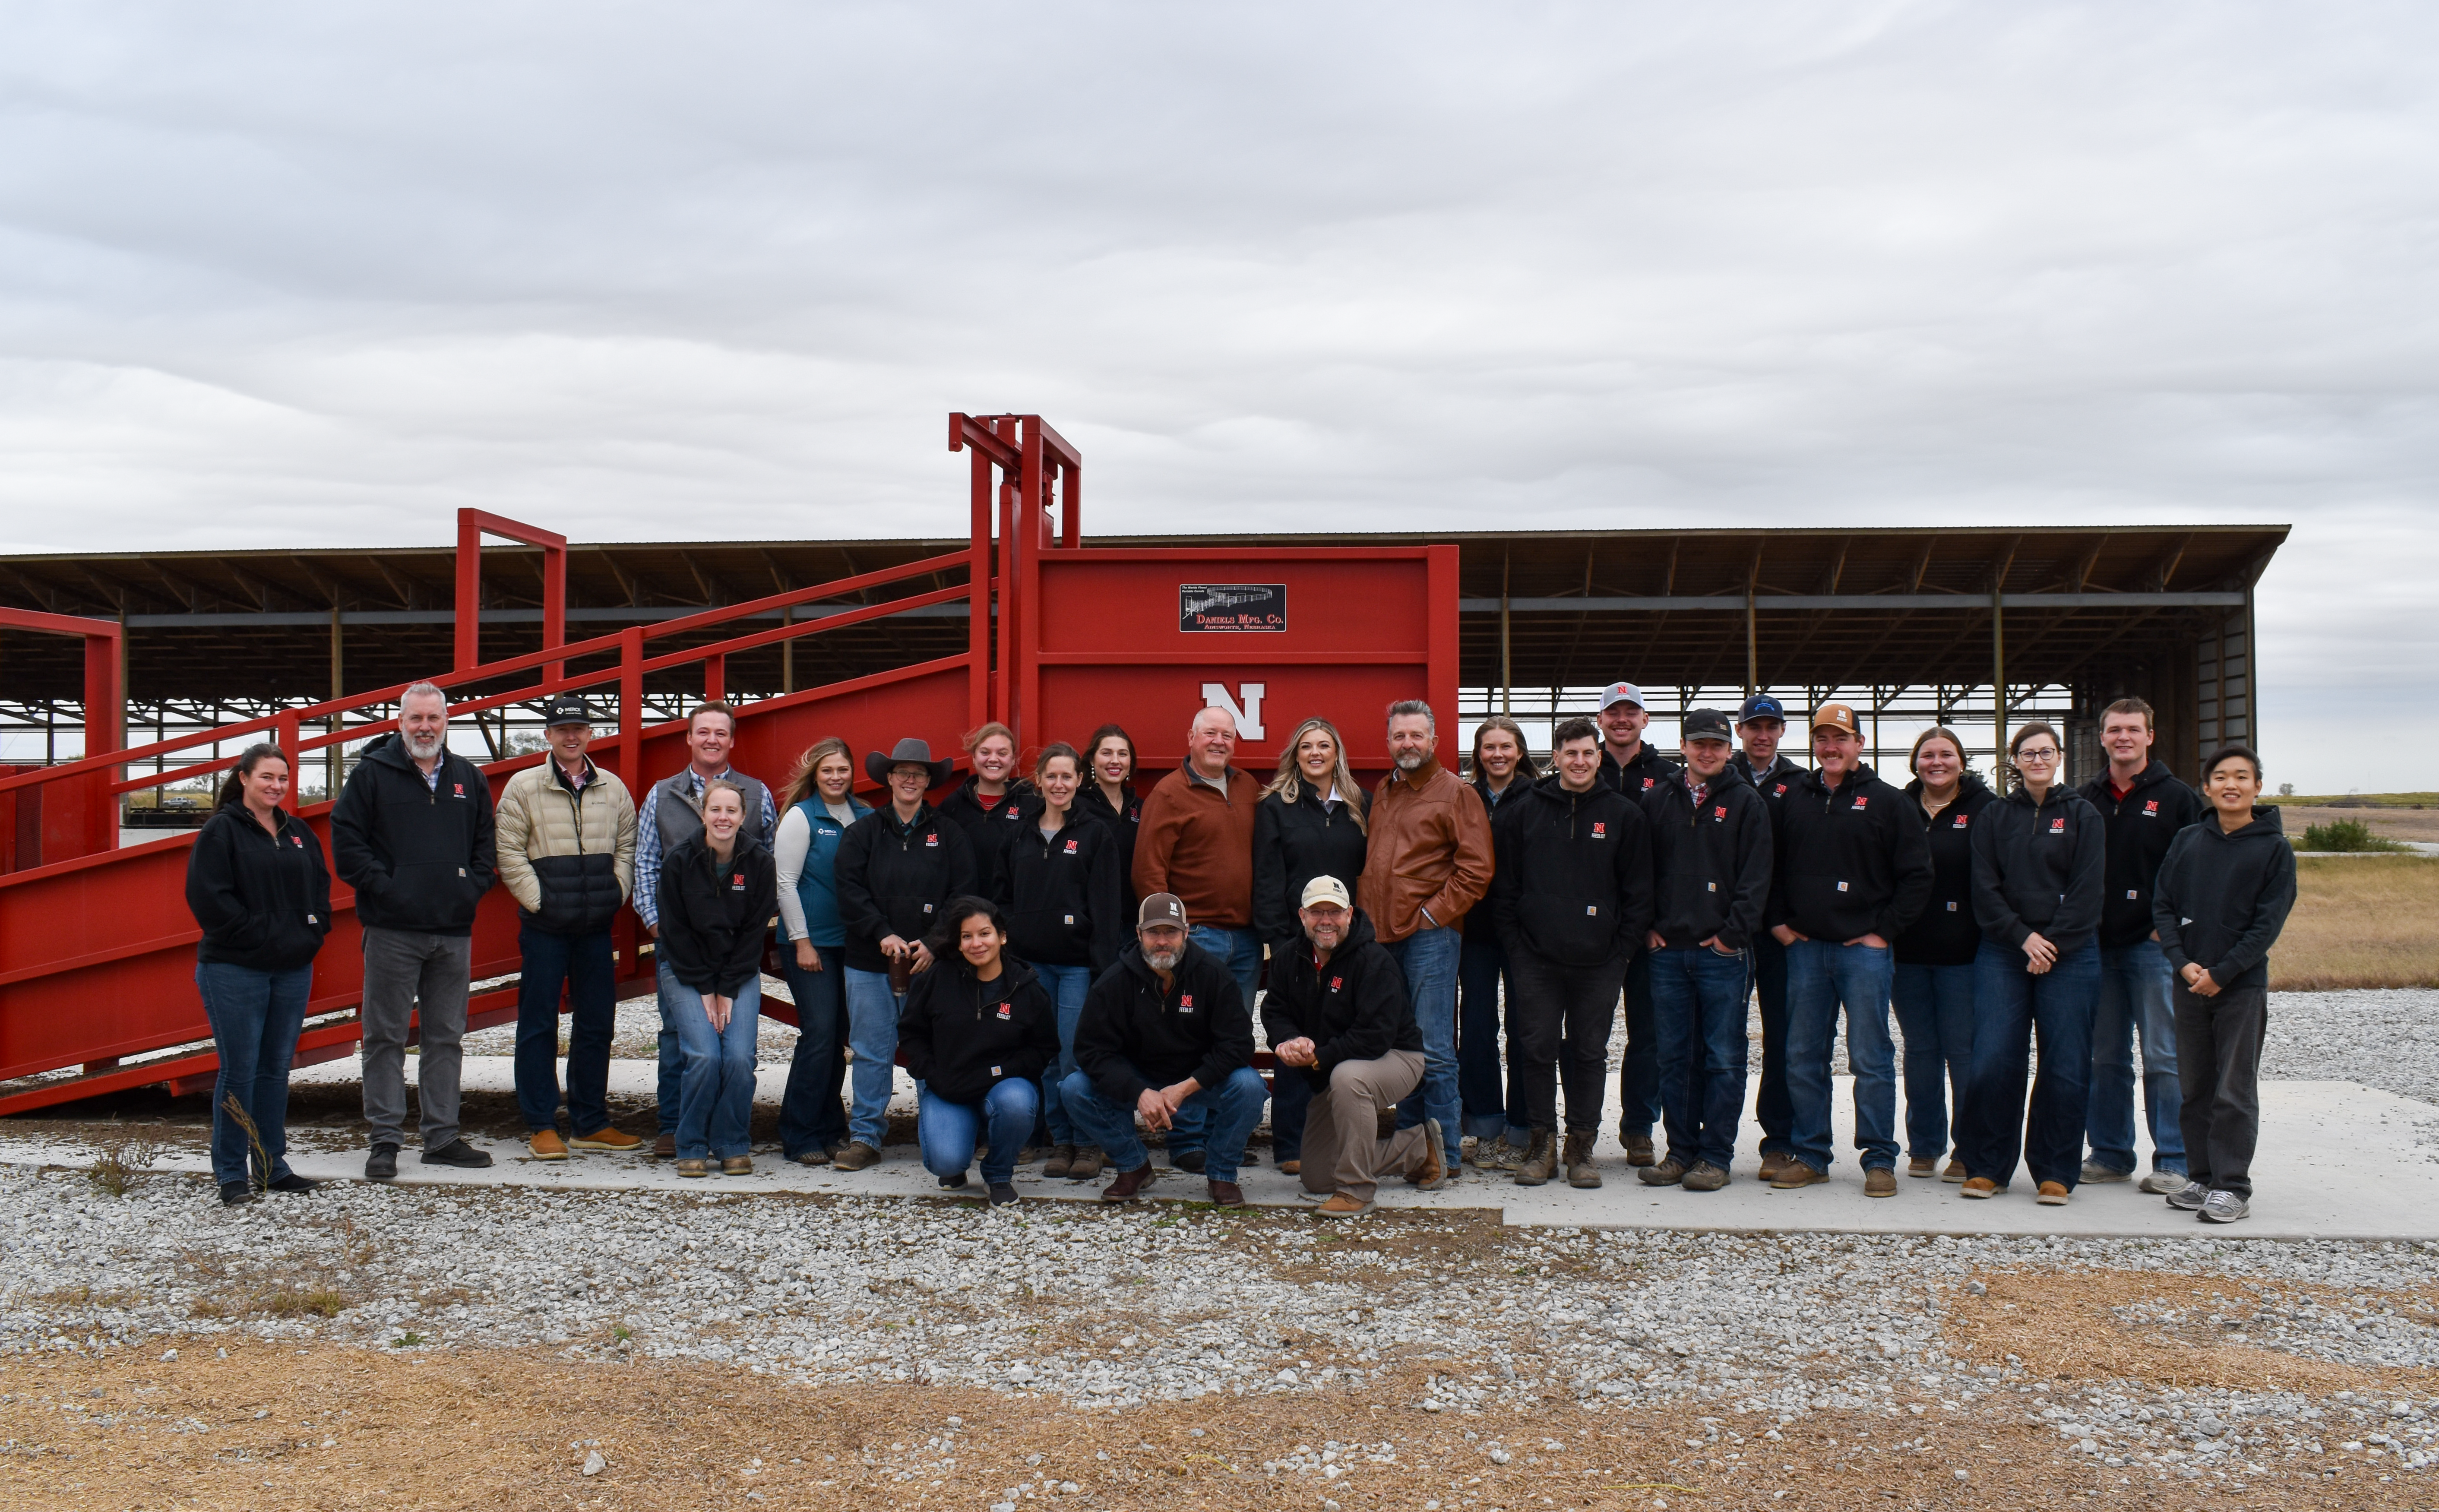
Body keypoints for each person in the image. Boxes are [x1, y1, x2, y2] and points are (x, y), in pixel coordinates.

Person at [331, 680, 497, 1180]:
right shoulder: (372, 776)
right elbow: (347, 841)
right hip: (392, 930)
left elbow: (485, 845)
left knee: (446, 1036)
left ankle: (442, 1136)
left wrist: (471, 888)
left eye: (434, 719)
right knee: (384, 1036)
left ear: (447, 722)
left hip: (452, 931)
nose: (425, 727)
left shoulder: (469, 777)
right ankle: (385, 1139)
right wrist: (388, 889)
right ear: (400, 723)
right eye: (416, 719)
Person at [1767, 702, 1932, 1196]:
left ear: (1859, 744)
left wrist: (1885, 931)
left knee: (1871, 1056)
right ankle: (1812, 1153)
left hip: (1865, 952)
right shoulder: (1792, 796)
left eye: (1841, 738)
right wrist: (1778, 923)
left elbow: (1918, 874)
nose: (1831, 747)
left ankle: (1879, 1157)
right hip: (1807, 949)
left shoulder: (1888, 802)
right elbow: (1766, 863)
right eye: (1822, 738)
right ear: (1813, 745)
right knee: (1802, 1054)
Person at [1488, 716, 1652, 1188]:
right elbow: (1505, 890)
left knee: (1588, 1052)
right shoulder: (1525, 812)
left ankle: (1582, 1147)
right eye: (1570, 753)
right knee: (1535, 1049)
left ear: (1598, 757)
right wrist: (1518, 949)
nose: (1579, 761)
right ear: (1554, 757)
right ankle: (1541, 1146)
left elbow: (1639, 893)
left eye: (1587, 753)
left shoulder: (1624, 815)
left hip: (1600, 961)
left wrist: (1621, 951)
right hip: (1536, 959)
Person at [1957, 721, 2106, 1206]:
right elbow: (1985, 887)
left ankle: (2055, 1170)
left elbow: (2088, 890)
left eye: (2046, 752)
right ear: (2015, 761)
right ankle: (1987, 1166)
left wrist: (2052, 943)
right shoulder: (1997, 816)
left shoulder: (2084, 815)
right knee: (1994, 1059)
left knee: (2065, 1064)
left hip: (2071, 954)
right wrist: (2024, 938)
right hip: (2004, 951)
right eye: (2028, 753)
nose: (2037, 760)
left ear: (2059, 757)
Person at [2152, 745, 2295, 1224]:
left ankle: (2233, 1185)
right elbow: (2164, 906)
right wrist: (2183, 963)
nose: (2231, 784)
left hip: (2240, 986)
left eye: (2242, 776)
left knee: (2233, 1089)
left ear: (2258, 786)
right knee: (2194, 1085)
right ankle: (2202, 1177)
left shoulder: (2274, 848)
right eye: (2221, 777)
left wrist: (2223, 972)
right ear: (2207, 787)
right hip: (2188, 981)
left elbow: (2267, 924)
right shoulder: (2189, 840)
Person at [494, 694, 641, 1162]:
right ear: (548, 735)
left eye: (579, 728)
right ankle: (542, 1124)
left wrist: (614, 894)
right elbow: (510, 854)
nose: (571, 736)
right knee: (538, 1024)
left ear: (591, 733)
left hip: (596, 927)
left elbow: (627, 848)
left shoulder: (613, 789)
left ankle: (590, 1121)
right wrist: (542, 902)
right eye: (562, 729)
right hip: (543, 929)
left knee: (597, 1023)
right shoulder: (523, 787)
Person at [184, 743, 332, 1205]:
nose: (276, 786)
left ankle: (271, 1165)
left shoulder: (299, 831)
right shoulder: (222, 831)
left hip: (291, 969)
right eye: (267, 777)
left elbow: (320, 890)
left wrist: (311, 931)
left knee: (274, 1070)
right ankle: (231, 1171)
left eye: (283, 779)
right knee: (240, 1070)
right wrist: (257, 936)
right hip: (234, 969)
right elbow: (208, 898)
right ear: (245, 778)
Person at [634, 703, 778, 1158]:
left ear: (732, 740)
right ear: (689, 738)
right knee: (680, 1037)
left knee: (733, 1049)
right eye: (703, 732)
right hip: (677, 943)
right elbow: (645, 862)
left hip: (736, 947)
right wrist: (658, 926)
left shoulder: (757, 794)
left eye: (721, 732)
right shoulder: (662, 794)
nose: (712, 739)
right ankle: (675, 1127)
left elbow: (768, 862)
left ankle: (726, 1134)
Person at [1062, 893, 1270, 1207]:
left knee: (1249, 1086)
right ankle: (1134, 1166)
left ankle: (1222, 1174)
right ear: (1138, 934)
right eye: (1154, 933)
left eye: (1170, 932)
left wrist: (1187, 1087)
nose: (1162, 941)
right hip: (1139, 1076)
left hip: (1197, 1078)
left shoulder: (1213, 975)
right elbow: (1092, 1051)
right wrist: (1138, 1092)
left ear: (1186, 932)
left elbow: (1238, 1044)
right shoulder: (1113, 982)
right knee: (1074, 1088)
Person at [2078, 696, 2207, 1195]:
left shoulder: (2177, 798)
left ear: (2150, 736)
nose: (2123, 737)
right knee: (2104, 1056)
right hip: (2097, 947)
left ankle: (2174, 1159)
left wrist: (2170, 928)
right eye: (2114, 730)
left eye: (2133, 729)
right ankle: (2110, 1153)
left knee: (2163, 1055)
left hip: (2152, 949)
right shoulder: (2086, 796)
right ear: (2103, 737)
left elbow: (2199, 867)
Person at [1638, 709, 1771, 1192]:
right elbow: (1640, 870)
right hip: (1668, 952)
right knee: (1675, 1055)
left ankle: (1715, 1155)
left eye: (1716, 744)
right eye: (1699, 744)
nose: (1707, 752)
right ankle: (1679, 1151)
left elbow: (1757, 878)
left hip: (1723, 955)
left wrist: (1732, 936)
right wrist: (1648, 927)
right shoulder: (1658, 800)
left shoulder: (1746, 803)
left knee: (1723, 1057)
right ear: (1684, 745)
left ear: (1729, 749)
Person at [1363, 699, 1494, 1181]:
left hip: (1429, 938)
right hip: (1382, 936)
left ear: (1435, 741)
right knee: (1403, 1048)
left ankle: (1448, 1155)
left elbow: (1477, 868)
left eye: (1417, 736)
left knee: (1435, 1048)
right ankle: (1415, 1147)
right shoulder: (1385, 790)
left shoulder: (1456, 793)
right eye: (1399, 736)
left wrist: (1432, 915)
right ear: (1389, 742)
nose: (1408, 744)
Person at [831, 737, 975, 1171]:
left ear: (929, 780)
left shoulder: (950, 834)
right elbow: (849, 892)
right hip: (870, 962)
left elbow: (964, 893)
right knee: (872, 1051)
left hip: (932, 965)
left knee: (934, 1051)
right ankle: (866, 1136)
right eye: (902, 772)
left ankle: (937, 1134)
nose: (910, 779)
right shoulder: (863, 833)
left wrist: (936, 941)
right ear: (889, 778)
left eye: (919, 773)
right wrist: (882, 933)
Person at [1132, 704, 1263, 1174]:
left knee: (1230, 1036)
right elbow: (1149, 871)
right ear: (1191, 736)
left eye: (1227, 734)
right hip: (1197, 937)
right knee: (1188, 1038)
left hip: (1246, 939)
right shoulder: (1169, 793)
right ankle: (1186, 1138)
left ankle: (1222, 1136)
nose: (1219, 741)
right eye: (1210, 733)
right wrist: (1171, 938)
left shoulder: (1248, 787)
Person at [1263, 876, 1443, 1218]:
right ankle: (1417, 1149)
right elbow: (1275, 1010)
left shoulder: (1374, 961)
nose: (1326, 921)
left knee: (1349, 1078)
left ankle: (1356, 1191)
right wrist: (1287, 1040)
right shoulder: (1289, 957)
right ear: (1302, 916)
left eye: (1334, 912)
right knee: (1316, 1178)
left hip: (1396, 1057)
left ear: (1349, 914)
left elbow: (1375, 1036)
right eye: (1317, 912)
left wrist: (1318, 1057)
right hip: (1334, 1068)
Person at [1000, 742, 1126, 1181]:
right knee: (1049, 1057)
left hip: (1077, 967)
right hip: (1031, 966)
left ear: (1079, 781)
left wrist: (1103, 968)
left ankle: (1090, 1143)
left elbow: (1108, 907)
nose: (1059, 784)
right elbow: (1004, 894)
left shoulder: (1094, 832)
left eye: (1067, 777)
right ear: (1039, 779)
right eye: (1051, 776)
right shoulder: (1021, 831)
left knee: (1076, 1056)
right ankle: (1062, 1141)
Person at [1251, 716, 1370, 1177]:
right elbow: (1266, 878)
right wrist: (1279, 943)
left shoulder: (1361, 804)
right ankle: (1290, 1145)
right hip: (1295, 942)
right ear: (1295, 756)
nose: (1316, 753)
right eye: (1306, 747)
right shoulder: (1275, 807)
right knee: (1295, 1038)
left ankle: (1339, 1139)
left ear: (1337, 752)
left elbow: (1370, 873)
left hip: (1348, 941)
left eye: (1324, 745)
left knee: (1342, 1039)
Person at [898, 896, 1060, 1206]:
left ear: (1001, 936)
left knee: (1016, 1102)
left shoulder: (1025, 987)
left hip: (1002, 1084)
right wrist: (932, 1074)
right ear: (958, 943)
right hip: (949, 1085)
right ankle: (956, 1158)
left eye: (984, 934)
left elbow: (1043, 1049)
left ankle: (998, 1173)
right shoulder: (936, 979)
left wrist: (997, 1072)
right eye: (967, 936)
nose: (977, 944)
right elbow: (911, 1035)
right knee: (945, 1163)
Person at [655, 779, 775, 1177]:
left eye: (732, 811)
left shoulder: (758, 861)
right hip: (685, 970)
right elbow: (675, 933)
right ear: (703, 813)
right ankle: (690, 1143)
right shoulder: (679, 861)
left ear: (743, 817)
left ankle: (731, 1143)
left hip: (737, 972)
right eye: (715, 810)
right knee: (705, 1056)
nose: (723, 818)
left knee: (739, 1058)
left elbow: (753, 932)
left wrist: (726, 988)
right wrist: (707, 988)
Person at [1582, 681, 1680, 1166]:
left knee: (1649, 1034)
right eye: (1613, 712)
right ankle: (1581, 1130)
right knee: (1588, 1034)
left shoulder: (1669, 778)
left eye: (1631, 712)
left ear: (1645, 719)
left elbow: (1680, 857)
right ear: (1601, 720)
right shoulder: (1581, 769)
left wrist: (1660, 921)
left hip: (1648, 932)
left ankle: (1639, 1127)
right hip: (1591, 931)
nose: (1621, 719)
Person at [1891, 727, 1995, 1181]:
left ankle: (1967, 1148)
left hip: (1965, 954)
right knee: (1920, 1050)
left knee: (1964, 1051)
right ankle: (1924, 1144)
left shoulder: (1986, 808)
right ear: (1916, 762)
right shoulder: (1899, 807)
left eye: (1946, 754)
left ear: (1961, 761)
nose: (1937, 762)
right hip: (1907, 951)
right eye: (1928, 755)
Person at [773, 737, 871, 1166]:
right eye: (828, 770)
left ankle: (832, 1128)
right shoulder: (801, 816)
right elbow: (785, 883)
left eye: (843, 769)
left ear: (853, 772)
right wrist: (802, 941)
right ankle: (799, 1132)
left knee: (838, 1041)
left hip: (854, 947)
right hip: (812, 946)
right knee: (819, 1034)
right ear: (816, 773)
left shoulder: (864, 816)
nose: (836, 777)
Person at [1732, 692, 1805, 1179]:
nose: (1762, 735)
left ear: (1782, 732)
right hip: (1729, 928)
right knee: (1721, 1037)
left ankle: (1779, 1138)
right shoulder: (1719, 775)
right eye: (1754, 726)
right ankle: (1704, 1135)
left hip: (1778, 931)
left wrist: (1784, 918)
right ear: (1741, 731)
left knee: (1782, 1034)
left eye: (1770, 727)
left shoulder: (1801, 784)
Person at [1460, 715, 1536, 1170]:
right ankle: (1486, 1126)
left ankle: (1523, 1129)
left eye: (1506, 746)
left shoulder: (1541, 796)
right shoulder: (1464, 798)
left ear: (1520, 751)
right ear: (1478, 754)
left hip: (1526, 933)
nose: (1498, 755)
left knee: (1526, 1030)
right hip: (1476, 932)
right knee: (1477, 1029)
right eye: (1489, 747)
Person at [937, 721, 1033, 900]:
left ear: (1013, 760)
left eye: (1002, 753)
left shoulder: (1032, 804)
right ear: (973, 758)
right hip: (965, 912)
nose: (994, 759)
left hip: (1014, 911)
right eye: (985, 752)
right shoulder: (952, 805)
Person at [1075, 723, 1142, 911]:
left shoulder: (1142, 808)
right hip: (1089, 921)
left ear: (1131, 761)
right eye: (1106, 753)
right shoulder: (1076, 805)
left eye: (1122, 754)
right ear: (1091, 760)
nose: (1115, 761)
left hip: (1133, 923)